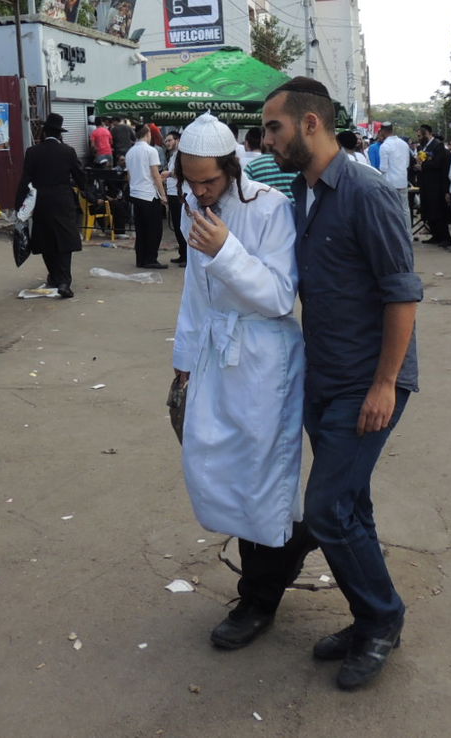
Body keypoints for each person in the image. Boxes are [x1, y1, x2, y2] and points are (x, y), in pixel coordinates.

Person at [257, 77, 422, 690]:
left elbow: (402, 294)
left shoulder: (366, 191)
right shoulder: (302, 193)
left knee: (325, 509)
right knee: (351, 505)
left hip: (367, 381)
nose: (266, 138)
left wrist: (385, 385)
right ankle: (365, 618)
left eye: (274, 126)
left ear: (310, 124)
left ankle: (383, 618)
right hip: (322, 378)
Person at [168, 113, 306, 652]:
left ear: (232, 168)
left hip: (263, 360)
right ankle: (291, 546)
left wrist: (226, 248)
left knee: (261, 478)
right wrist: (182, 358)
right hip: (213, 353)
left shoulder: (270, 209)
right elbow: (194, 290)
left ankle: (259, 598)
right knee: (212, 463)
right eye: (192, 181)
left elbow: (277, 296)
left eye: (211, 181)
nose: (202, 191)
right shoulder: (191, 209)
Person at [17, 113, 88, 298]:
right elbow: (80, 176)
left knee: (45, 240)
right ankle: (64, 281)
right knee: (64, 241)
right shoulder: (68, 151)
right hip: (63, 201)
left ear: (44, 131)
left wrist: (19, 205)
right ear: (59, 134)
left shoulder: (32, 152)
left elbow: (25, 180)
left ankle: (55, 277)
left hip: (41, 202)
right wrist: (91, 195)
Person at [125, 122, 167, 269]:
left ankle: (141, 258)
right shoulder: (151, 151)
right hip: (148, 194)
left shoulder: (130, 152)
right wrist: (163, 195)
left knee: (141, 229)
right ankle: (151, 258)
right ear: (148, 134)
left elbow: (129, 176)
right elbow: (156, 175)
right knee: (154, 229)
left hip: (135, 193)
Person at [417, 125, 451, 247]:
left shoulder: (438, 146)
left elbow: (437, 163)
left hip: (436, 184)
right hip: (426, 183)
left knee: (438, 211)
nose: (419, 138)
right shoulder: (423, 146)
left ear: (427, 133)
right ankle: (436, 235)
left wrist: (423, 166)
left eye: (420, 136)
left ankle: (445, 237)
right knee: (429, 210)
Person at [377, 123, 412, 236]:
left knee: (390, 210)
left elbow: (383, 168)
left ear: (382, 131)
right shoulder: (404, 144)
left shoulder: (385, 146)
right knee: (405, 210)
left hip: (389, 182)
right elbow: (407, 164)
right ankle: (408, 235)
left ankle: (393, 235)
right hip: (402, 181)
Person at [161, 129, 188, 264]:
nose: (167, 143)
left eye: (169, 140)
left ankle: (187, 256)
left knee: (183, 226)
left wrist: (169, 174)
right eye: (166, 141)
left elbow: (183, 173)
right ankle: (182, 254)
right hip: (172, 193)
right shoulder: (173, 156)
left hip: (180, 193)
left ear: (177, 140)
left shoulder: (182, 155)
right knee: (177, 226)